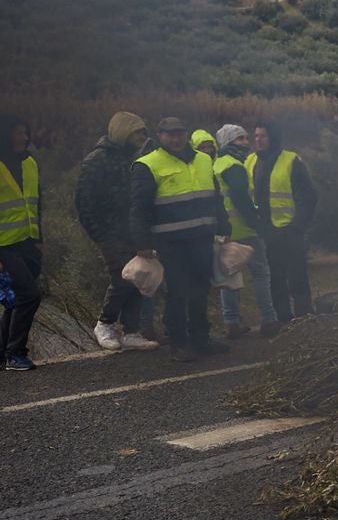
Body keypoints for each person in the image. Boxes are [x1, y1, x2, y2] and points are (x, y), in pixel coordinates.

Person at [131, 116, 229, 363]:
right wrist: (142, 242)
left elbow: (216, 197)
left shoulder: (204, 160)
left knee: (201, 290)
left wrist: (224, 225)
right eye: (169, 134)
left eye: (179, 133)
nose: (175, 139)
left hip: (202, 237)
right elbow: (139, 208)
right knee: (177, 293)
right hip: (170, 242)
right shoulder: (147, 164)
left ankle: (201, 339)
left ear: (185, 134)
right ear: (160, 136)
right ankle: (178, 342)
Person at [73, 111, 160, 352]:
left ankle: (131, 331)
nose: (143, 136)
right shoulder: (97, 160)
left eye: (144, 131)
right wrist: (99, 235)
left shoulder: (137, 158)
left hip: (133, 230)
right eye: (137, 132)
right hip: (110, 233)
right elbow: (84, 202)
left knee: (139, 276)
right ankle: (105, 323)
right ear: (124, 132)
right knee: (123, 277)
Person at [213, 124, 279, 340]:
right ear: (228, 143)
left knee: (229, 276)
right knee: (260, 273)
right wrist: (258, 224)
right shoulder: (234, 166)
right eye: (240, 139)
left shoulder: (216, 164)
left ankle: (231, 323)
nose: (246, 143)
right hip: (244, 230)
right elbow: (241, 199)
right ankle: (269, 319)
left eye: (245, 138)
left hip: (225, 233)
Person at [248, 121, 317, 323]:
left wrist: (297, 227)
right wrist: (258, 226)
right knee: (274, 278)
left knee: (297, 275)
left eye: (263, 136)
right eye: (256, 136)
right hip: (266, 231)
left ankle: (304, 315)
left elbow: (308, 197)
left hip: (290, 231)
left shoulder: (291, 160)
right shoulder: (250, 161)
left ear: (273, 138)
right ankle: (282, 316)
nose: (258, 140)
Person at [0, 114, 44, 370]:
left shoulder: (29, 163)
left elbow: (39, 202)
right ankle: (16, 352)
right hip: (4, 245)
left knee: (17, 298)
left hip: (27, 242)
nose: (25, 138)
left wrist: (39, 239)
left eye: (26, 133)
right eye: (19, 133)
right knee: (30, 295)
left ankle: (5, 352)